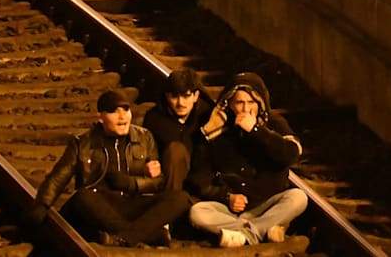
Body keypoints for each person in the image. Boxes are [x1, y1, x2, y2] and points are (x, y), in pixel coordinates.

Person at [26, 89, 190, 247]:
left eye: (126, 109)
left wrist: (130, 183)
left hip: (131, 202)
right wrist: (42, 205)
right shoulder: (82, 143)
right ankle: (148, 236)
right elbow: (58, 178)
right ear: (100, 117)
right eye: (114, 111)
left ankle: (124, 237)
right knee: (82, 197)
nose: (122, 116)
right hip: (98, 207)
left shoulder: (144, 138)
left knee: (181, 198)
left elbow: (158, 183)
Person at [187, 72, 307, 247]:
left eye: (251, 103)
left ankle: (246, 236)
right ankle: (261, 231)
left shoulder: (275, 124)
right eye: (240, 103)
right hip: (229, 211)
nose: (245, 109)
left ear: (260, 103)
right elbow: (199, 176)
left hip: (267, 206)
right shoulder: (215, 129)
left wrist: (256, 131)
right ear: (230, 104)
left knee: (298, 197)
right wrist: (227, 197)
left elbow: (290, 155)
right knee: (197, 212)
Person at [142, 69, 212, 192]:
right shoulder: (154, 119)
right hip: (168, 180)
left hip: (201, 182)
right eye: (174, 96)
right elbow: (146, 153)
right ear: (166, 96)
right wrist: (147, 166)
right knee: (175, 150)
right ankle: (172, 201)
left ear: (196, 96)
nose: (180, 103)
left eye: (186, 96)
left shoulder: (208, 116)